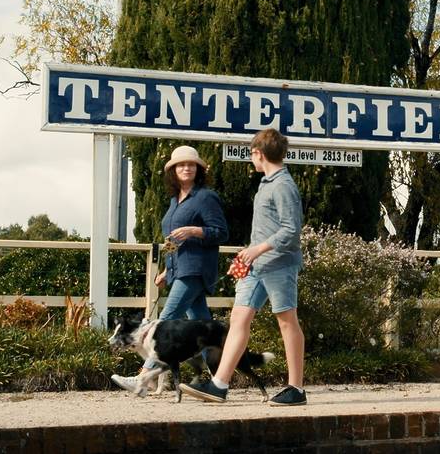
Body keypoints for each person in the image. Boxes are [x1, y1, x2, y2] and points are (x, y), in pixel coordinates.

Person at [182, 127, 306, 406]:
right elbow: (268, 230)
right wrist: (247, 254)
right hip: (256, 266)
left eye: (252, 155)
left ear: (258, 154)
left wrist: (258, 249)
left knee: (287, 322)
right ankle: (219, 385)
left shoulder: (284, 186)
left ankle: (296, 389)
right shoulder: (267, 183)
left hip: (279, 265)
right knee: (238, 318)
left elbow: (291, 231)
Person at [111, 145, 228, 393]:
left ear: (198, 169)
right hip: (180, 270)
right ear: (173, 171)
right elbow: (172, 243)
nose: (186, 168)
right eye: (181, 165)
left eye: (191, 164)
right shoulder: (175, 201)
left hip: (195, 269)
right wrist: (167, 270)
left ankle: (143, 379)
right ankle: (219, 382)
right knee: (204, 329)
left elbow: (221, 232)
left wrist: (195, 230)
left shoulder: (205, 197)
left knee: (164, 323)